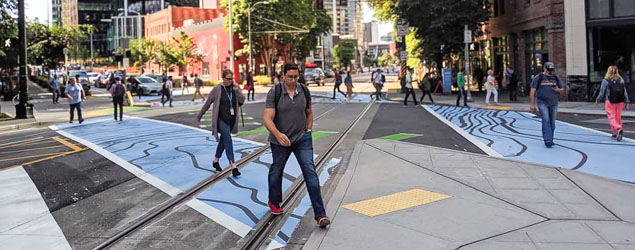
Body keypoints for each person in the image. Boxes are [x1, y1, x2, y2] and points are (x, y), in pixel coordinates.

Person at [263, 62, 330, 228]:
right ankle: (274, 201)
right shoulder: (275, 91)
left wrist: (308, 129)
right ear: (283, 76)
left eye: (296, 76)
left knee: (310, 171)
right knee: (276, 170)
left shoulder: (304, 91)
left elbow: (309, 113)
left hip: (301, 138)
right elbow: (267, 118)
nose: (293, 80)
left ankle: (320, 214)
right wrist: (278, 135)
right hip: (280, 140)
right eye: (290, 77)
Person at [196, 69, 245, 177]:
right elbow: (207, 103)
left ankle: (215, 161)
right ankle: (233, 166)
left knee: (223, 141)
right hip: (221, 120)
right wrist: (200, 115)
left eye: (232, 79)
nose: (230, 81)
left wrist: (237, 90)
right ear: (223, 78)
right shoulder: (217, 89)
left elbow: (242, 101)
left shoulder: (234, 88)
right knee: (227, 139)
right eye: (228, 79)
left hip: (231, 120)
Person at [530, 62, 565, 148]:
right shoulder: (539, 77)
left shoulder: (555, 77)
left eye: (551, 70)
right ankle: (547, 140)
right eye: (549, 70)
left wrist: (558, 90)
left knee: (552, 121)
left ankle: (551, 138)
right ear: (544, 69)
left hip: (554, 103)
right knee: (546, 120)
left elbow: (562, 89)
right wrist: (532, 104)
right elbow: (533, 90)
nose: (550, 71)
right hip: (542, 102)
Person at [595, 65, 631, 141]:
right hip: (620, 101)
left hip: (610, 101)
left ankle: (618, 129)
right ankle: (616, 133)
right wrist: (627, 102)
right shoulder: (621, 79)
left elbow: (602, 92)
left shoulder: (606, 80)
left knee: (611, 117)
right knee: (618, 117)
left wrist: (598, 100)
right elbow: (624, 92)